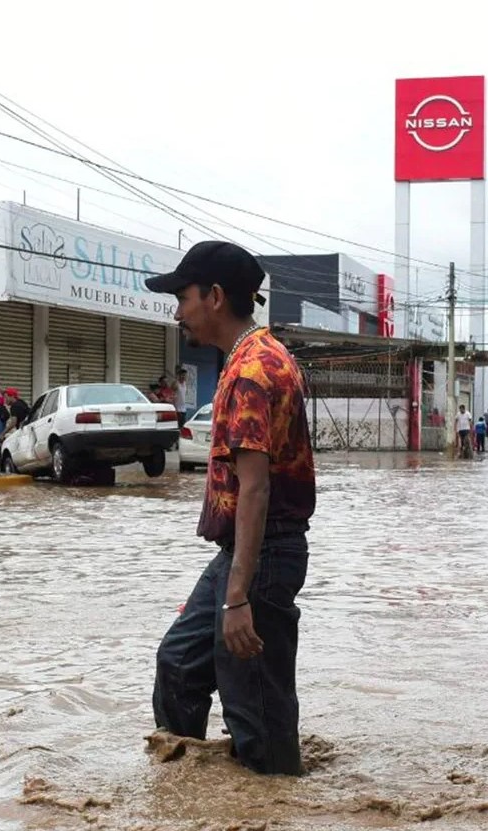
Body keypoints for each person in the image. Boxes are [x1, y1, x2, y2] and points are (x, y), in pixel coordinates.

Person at [144, 240, 315, 776]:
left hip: (260, 556)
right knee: (180, 662)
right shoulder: (251, 357)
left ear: (214, 297)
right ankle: (186, 791)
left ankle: (274, 798)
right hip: (242, 553)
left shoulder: (251, 371)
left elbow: (256, 488)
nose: (177, 311)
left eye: (182, 296)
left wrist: (237, 595)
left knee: (255, 707)